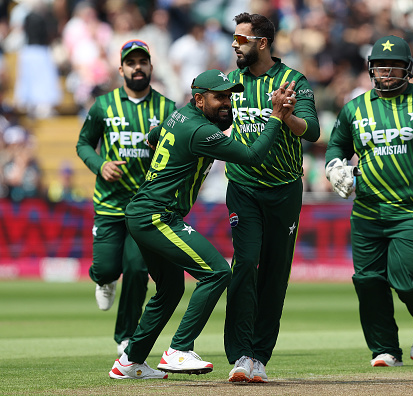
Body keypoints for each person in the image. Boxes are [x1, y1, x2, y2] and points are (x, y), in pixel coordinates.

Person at [109, 69, 296, 379]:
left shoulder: (179, 116)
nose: (227, 103)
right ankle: (179, 350)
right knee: (217, 272)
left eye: (229, 97)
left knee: (169, 290)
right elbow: (252, 156)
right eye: (219, 97)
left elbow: (153, 136)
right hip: (157, 215)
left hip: (144, 213)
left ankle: (130, 361)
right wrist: (276, 117)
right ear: (199, 99)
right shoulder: (201, 132)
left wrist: (162, 140)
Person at [324, 35, 413, 367]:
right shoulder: (354, 108)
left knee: (405, 277)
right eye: (381, 65)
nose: (387, 71)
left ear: (409, 70)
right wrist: (334, 167)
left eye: (395, 66)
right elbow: (337, 147)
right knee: (368, 280)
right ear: (371, 69)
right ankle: (385, 349)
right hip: (368, 209)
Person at [224, 12, 320, 383]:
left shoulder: (293, 81)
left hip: (283, 191)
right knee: (245, 264)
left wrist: (286, 115)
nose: (234, 44)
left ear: (261, 43)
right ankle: (239, 355)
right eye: (234, 38)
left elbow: (311, 131)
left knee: (275, 274)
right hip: (243, 187)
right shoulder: (231, 81)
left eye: (241, 39)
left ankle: (259, 356)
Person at [76, 39, 176, 356]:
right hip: (109, 203)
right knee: (107, 269)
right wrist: (100, 165)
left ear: (150, 66)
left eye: (142, 62)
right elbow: (83, 145)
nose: (137, 68)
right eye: (131, 63)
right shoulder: (103, 106)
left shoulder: (168, 109)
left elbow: (179, 153)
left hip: (145, 207)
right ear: (121, 69)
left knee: (136, 269)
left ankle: (126, 337)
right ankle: (104, 280)